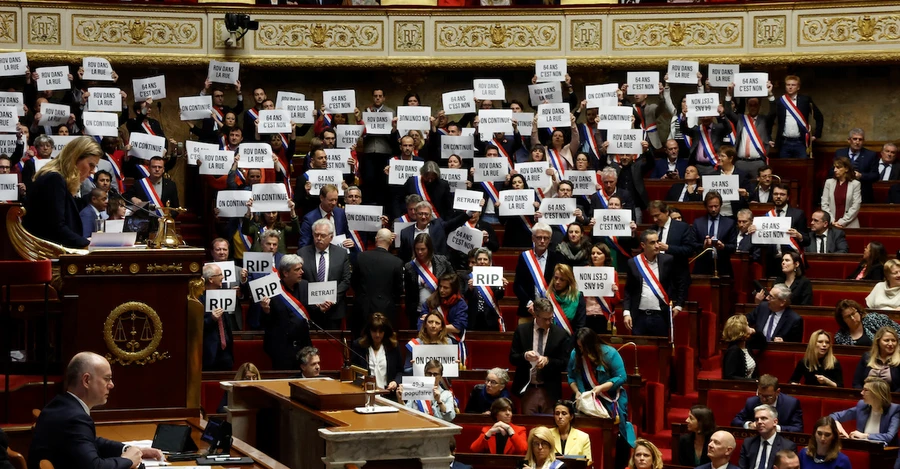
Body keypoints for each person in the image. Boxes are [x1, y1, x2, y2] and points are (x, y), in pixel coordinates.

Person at [28, 352, 166, 469]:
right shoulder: (74, 418)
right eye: (107, 379)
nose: (111, 385)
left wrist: (128, 450)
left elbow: (91, 441)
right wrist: (128, 460)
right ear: (86, 381)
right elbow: (94, 467)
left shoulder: (60, 404)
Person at [568, 327, 634, 469]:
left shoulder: (609, 353)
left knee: (619, 429)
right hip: (585, 399)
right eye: (579, 347)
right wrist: (577, 392)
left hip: (610, 398)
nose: (582, 351)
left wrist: (601, 388)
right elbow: (571, 377)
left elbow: (622, 377)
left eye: (584, 347)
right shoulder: (576, 354)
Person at [23, 136, 101, 248]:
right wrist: (88, 245)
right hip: (47, 257)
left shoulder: (56, 178)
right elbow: (56, 227)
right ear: (75, 157)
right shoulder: (54, 179)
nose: (93, 171)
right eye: (91, 165)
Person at [510, 298, 571, 415]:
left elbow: (564, 363)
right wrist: (525, 356)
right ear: (535, 315)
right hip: (527, 388)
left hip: (550, 390)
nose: (549, 322)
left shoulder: (561, 334)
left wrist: (548, 360)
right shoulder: (522, 331)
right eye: (545, 319)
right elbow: (512, 358)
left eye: (551, 318)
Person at [622, 229, 686, 338]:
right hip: (639, 316)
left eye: (658, 241)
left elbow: (681, 282)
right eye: (652, 243)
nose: (657, 245)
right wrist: (626, 312)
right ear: (643, 245)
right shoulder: (633, 263)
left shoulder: (668, 260)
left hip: (660, 316)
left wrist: (679, 304)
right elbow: (629, 290)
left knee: (661, 350)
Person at [262, 254, 315, 370]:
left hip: (303, 345)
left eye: (301, 268)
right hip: (281, 348)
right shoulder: (272, 288)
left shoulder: (305, 285)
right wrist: (266, 310)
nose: (301, 272)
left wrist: (321, 308)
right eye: (297, 269)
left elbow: (310, 312)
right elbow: (266, 322)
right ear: (285, 273)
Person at [298, 218, 352, 329]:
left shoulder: (341, 254)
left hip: (334, 311)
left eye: (322, 235)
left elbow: (346, 280)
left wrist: (331, 299)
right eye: (316, 235)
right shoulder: (302, 253)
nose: (318, 238)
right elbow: (299, 279)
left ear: (331, 237)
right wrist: (313, 301)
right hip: (310, 310)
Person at [352, 229, 404, 330]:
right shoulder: (397, 262)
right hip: (386, 310)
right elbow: (399, 290)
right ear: (390, 241)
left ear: (376, 239)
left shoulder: (361, 257)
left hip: (362, 308)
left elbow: (353, 282)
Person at [513, 223, 565, 323]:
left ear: (550, 240)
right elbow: (517, 285)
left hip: (552, 312)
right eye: (539, 237)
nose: (542, 241)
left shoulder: (557, 258)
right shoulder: (524, 257)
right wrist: (529, 303)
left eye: (545, 238)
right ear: (533, 238)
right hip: (528, 310)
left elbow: (562, 284)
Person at [404, 233, 455, 330]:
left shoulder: (442, 261)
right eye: (417, 249)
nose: (419, 252)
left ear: (429, 248)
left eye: (423, 249)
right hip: (418, 311)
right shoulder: (410, 267)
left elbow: (454, 279)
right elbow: (408, 294)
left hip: (441, 310)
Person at [831, 377, 900, 445]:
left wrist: (865, 436)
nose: (861, 393)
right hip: (863, 449)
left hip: (886, 453)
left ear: (877, 394)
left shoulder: (894, 410)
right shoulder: (862, 406)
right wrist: (837, 423)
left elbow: (889, 437)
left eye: (865, 390)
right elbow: (834, 416)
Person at [351, 313, 402, 399]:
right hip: (365, 394)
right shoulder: (359, 346)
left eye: (380, 331)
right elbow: (354, 369)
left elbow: (400, 371)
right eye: (374, 331)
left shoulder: (393, 347)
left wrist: (395, 382)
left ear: (385, 332)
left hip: (388, 395)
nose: (377, 335)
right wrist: (361, 379)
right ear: (369, 331)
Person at [398, 200, 469, 263]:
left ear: (431, 215)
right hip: (415, 270)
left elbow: (455, 222)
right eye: (420, 214)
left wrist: (469, 213)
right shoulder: (405, 232)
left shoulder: (439, 225)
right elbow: (403, 256)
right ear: (415, 214)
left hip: (438, 269)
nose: (423, 217)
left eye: (426, 214)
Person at [732, 374, 804, 433]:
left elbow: (798, 429)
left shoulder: (791, 404)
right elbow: (735, 421)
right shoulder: (752, 402)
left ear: (777, 392)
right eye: (760, 394)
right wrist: (749, 425)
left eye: (768, 396)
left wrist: (775, 428)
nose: (763, 399)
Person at [774, 75, 823, 159]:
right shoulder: (780, 101)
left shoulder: (805, 100)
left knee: (802, 169)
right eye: (788, 85)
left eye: (793, 85)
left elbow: (819, 117)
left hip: (801, 143)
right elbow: (770, 119)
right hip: (784, 142)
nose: (790, 87)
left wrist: (816, 135)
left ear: (798, 87)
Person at [690, 191, 737, 277]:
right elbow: (692, 244)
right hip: (702, 267)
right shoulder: (698, 222)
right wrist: (703, 246)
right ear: (705, 206)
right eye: (710, 206)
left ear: (721, 205)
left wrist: (723, 246)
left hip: (723, 266)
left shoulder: (729, 223)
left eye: (716, 206)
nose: (713, 209)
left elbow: (733, 246)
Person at [737, 404, 797, 469]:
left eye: (763, 418)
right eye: (757, 419)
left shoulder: (787, 446)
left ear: (775, 422)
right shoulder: (748, 443)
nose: (759, 422)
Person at [464, 248, 509, 332]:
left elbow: (499, 296)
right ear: (476, 261)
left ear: (489, 262)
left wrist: (502, 287)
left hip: (490, 317)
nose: (482, 261)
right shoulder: (468, 276)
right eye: (479, 259)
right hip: (474, 317)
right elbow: (464, 296)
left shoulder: (495, 275)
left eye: (485, 259)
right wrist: (470, 289)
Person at [201, 263, 234, 371]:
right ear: (211, 279)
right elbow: (194, 327)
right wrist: (212, 319)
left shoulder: (223, 294)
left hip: (226, 351)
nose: (223, 277)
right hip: (209, 352)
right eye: (220, 274)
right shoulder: (198, 299)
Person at [299, 184, 353, 249]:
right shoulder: (309, 218)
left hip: (340, 253)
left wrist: (350, 241)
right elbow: (304, 245)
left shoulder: (341, 213)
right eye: (331, 200)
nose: (334, 203)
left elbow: (348, 234)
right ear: (322, 198)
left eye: (336, 200)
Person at [834, 298, 900, 346]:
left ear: (858, 311)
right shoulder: (840, 337)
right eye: (848, 316)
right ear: (842, 319)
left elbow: (897, 330)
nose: (852, 318)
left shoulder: (874, 319)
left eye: (853, 313)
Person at [584, 243, 618, 334]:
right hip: (586, 316)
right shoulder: (584, 271)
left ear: (605, 256)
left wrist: (614, 292)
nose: (595, 256)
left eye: (598, 253)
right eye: (593, 253)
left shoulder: (612, 273)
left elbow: (616, 301)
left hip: (604, 316)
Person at [852, 326, 900, 391]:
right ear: (878, 341)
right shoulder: (867, 357)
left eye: (893, 340)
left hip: (891, 399)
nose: (891, 344)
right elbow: (857, 383)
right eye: (886, 340)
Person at [821, 156, 862, 229]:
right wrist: (832, 220)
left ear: (846, 169)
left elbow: (856, 206)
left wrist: (842, 222)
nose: (835, 170)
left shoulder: (855, 184)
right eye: (834, 167)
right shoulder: (829, 183)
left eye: (838, 167)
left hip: (850, 224)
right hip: (831, 224)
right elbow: (824, 204)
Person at [548, 400, 592, 464]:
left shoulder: (583, 437)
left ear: (571, 416)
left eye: (564, 413)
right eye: (557, 414)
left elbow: (588, 463)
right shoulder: (547, 434)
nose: (560, 417)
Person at [550, 264, 587, 334]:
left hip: (570, 339)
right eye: (556, 278)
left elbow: (580, 326)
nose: (557, 282)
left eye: (562, 279)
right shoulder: (548, 296)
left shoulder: (578, 296)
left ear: (568, 281)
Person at [722, 314, 757, 381]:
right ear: (741, 329)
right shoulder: (733, 351)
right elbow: (729, 377)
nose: (749, 327)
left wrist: (754, 332)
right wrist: (754, 381)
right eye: (747, 325)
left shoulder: (747, 346)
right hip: (740, 389)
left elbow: (763, 343)